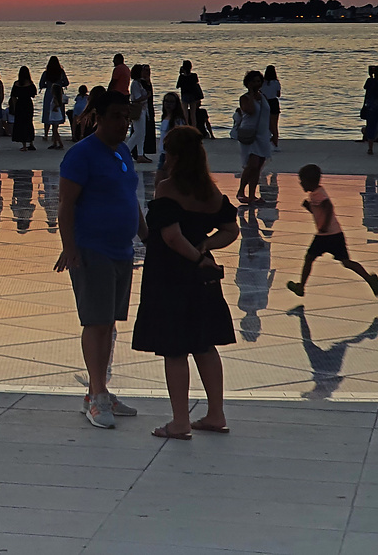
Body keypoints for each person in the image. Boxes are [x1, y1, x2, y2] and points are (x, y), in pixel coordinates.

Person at [131, 126, 240, 440]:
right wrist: (205, 248)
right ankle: (216, 413)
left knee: (175, 349)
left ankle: (180, 421)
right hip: (202, 279)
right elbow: (231, 231)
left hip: (171, 276)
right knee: (204, 345)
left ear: (174, 155)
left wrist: (195, 257)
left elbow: (171, 237)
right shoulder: (211, 192)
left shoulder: (167, 188)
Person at [55, 88, 145, 430]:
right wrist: (70, 246)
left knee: (109, 322)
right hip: (93, 249)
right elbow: (65, 203)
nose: (124, 124)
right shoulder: (82, 154)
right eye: (118, 118)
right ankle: (96, 396)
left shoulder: (122, 151)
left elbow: (129, 196)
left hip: (122, 250)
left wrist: (146, 234)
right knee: (95, 321)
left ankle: (101, 389)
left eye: (127, 118)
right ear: (101, 118)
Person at [286, 164, 378, 298]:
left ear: (309, 182)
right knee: (346, 262)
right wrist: (309, 208)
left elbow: (328, 208)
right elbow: (320, 212)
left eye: (302, 181)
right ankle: (369, 279)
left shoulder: (317, 195)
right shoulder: (317, 193)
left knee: (309, 258)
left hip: (325, 235)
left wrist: (324, 226)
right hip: (336, 234)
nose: (301, 184)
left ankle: (301, 287)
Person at [234, 70, 273, 205]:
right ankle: (241, 191)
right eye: (254, 81)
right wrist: (251, 94)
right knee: (252, 165)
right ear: (248, 83)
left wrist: (272, 132)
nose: (257, 84)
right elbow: (250, 110)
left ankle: (252, 195)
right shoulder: (244, 98)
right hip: (249, 134)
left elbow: (268, 115)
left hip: (263, 135)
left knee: (259, 166)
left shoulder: (263, 97)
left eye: (258, 81)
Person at [157, 92, 189, 172]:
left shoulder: (178, 120)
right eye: (166, 101)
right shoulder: (165, 117)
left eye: (171, 102)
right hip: (164, 153)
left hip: (172, 154)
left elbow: (180, 138)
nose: (168, 104)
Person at [364, 65, 378, 155]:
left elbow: (366, 89)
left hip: (371, 107)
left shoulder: (370, 81)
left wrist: (371, 77)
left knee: (371, 127)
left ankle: (370, 148)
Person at [176, 60, 204, 131]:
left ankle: (186, 128)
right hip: (193, 96)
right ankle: (194, 129)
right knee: (193, 114)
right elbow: (196, 83)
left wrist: (180, 73)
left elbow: (177, 86)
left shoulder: (182, 77)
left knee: (185, 113)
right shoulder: (194, 76)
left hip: (185, 95)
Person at [262, 65, 282, 147]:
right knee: (275, 124)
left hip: (265, 102)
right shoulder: (276, 82)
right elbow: (278, 94)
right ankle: (275, 143)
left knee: (265, 124)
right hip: (274, 102)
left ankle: (266, 142)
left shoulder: (263, 82)